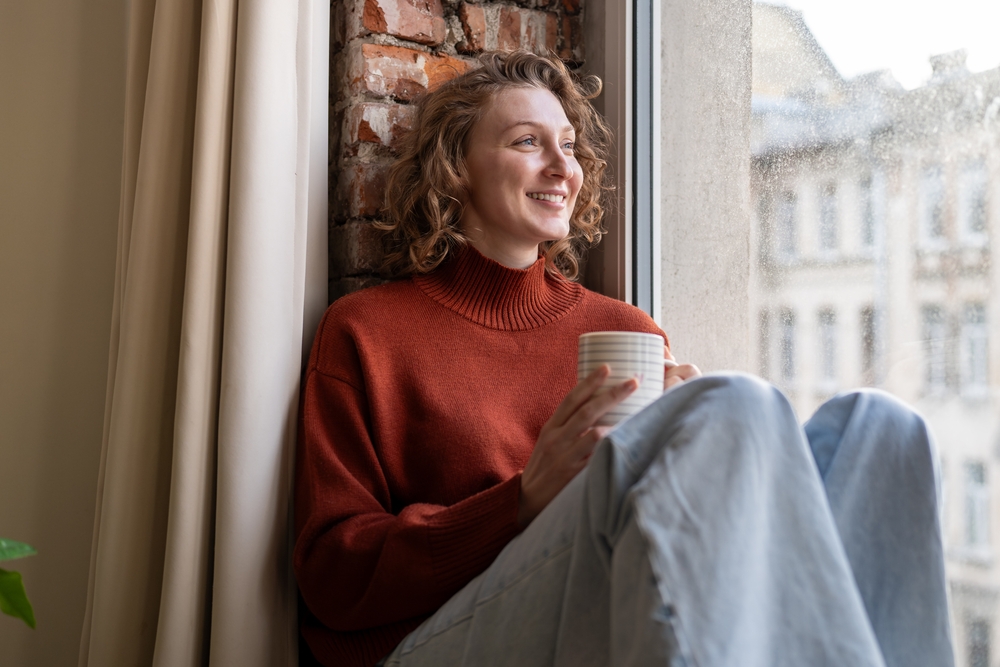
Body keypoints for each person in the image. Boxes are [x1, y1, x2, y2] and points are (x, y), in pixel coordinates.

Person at [294, 51, 954, 667]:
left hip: (601, 607)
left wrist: (700, 445)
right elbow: (331, 576)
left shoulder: (624, 328)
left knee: (882, 427)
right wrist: (519, 502)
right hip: (442, 638)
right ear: (455, 165)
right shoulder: (367, 332)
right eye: (528, 142)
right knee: (735, 402)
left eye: (570, 147)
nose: (563, 167)